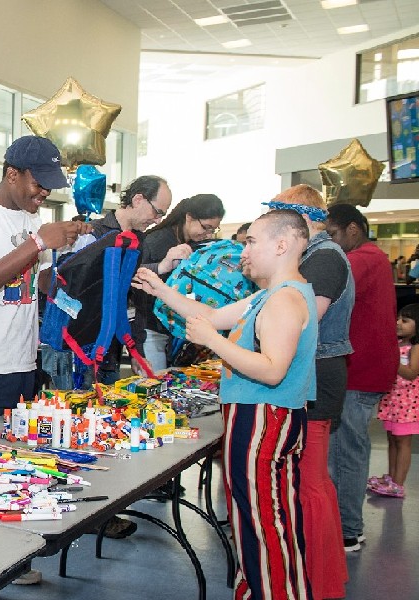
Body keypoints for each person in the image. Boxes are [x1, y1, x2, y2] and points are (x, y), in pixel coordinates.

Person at [134, 209, 316, 600]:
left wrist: (214, 343)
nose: (243, 251)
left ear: (281, 245)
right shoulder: (271, 295)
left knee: (265, 521)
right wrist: (161, 290)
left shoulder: (285, 301)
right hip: (254, 416)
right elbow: (214, 316)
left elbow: (271, 370)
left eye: (252, 241)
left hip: (264, 418)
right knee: (256, 518)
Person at [0, 135, 91, 428]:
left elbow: (44, 283)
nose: (45, 193)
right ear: (12, 174)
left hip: (23, 364)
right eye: (38, 184)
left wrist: (84, 257)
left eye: (48, 186)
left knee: (14, 465)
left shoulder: (33, 221)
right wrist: (36, 244)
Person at [267, 186, 350, 595]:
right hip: (312, 374)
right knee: (307, 479)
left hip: (319, 376)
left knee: (311, 482)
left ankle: (321, 576)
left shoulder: (326, 258)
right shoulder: (318, 256)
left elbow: (303, 324)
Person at [39, 174, 178, 390]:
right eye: (157, 212)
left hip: (109, 354)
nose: (158, 220)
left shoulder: (137, 244)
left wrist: (136, 352)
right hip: (71, 353)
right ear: (138, 199)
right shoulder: (86, 234)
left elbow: (134, 302)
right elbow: (46, 286)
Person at [324, 202, 398, 554]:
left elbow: (324, 283)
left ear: (353, 229)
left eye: (333, 235)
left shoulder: (362, 259)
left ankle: (347, 530)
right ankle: (343, 524)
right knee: (343, 449)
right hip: (364, 368)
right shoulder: (372, 258)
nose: (331, 243)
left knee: (346, 452)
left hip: (360, 371)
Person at [136, 193, 226, 372]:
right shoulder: (157, 242)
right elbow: (135, 281)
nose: (207, 234)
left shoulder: (192, 244)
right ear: (189, 217)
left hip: (175, 331)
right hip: (152, 329)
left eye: (212, 230)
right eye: (206, 227)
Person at [369, 303, 419, 498]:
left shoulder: (415, 348)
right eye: (398, 319)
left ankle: (399, 483)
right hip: (394, 401)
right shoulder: (399, 345)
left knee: (403, 442)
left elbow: (411, 373)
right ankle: (391, 477)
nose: (398, 323)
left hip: (408, 404)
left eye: (405, 321)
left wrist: (392, 359)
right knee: (392, 440)